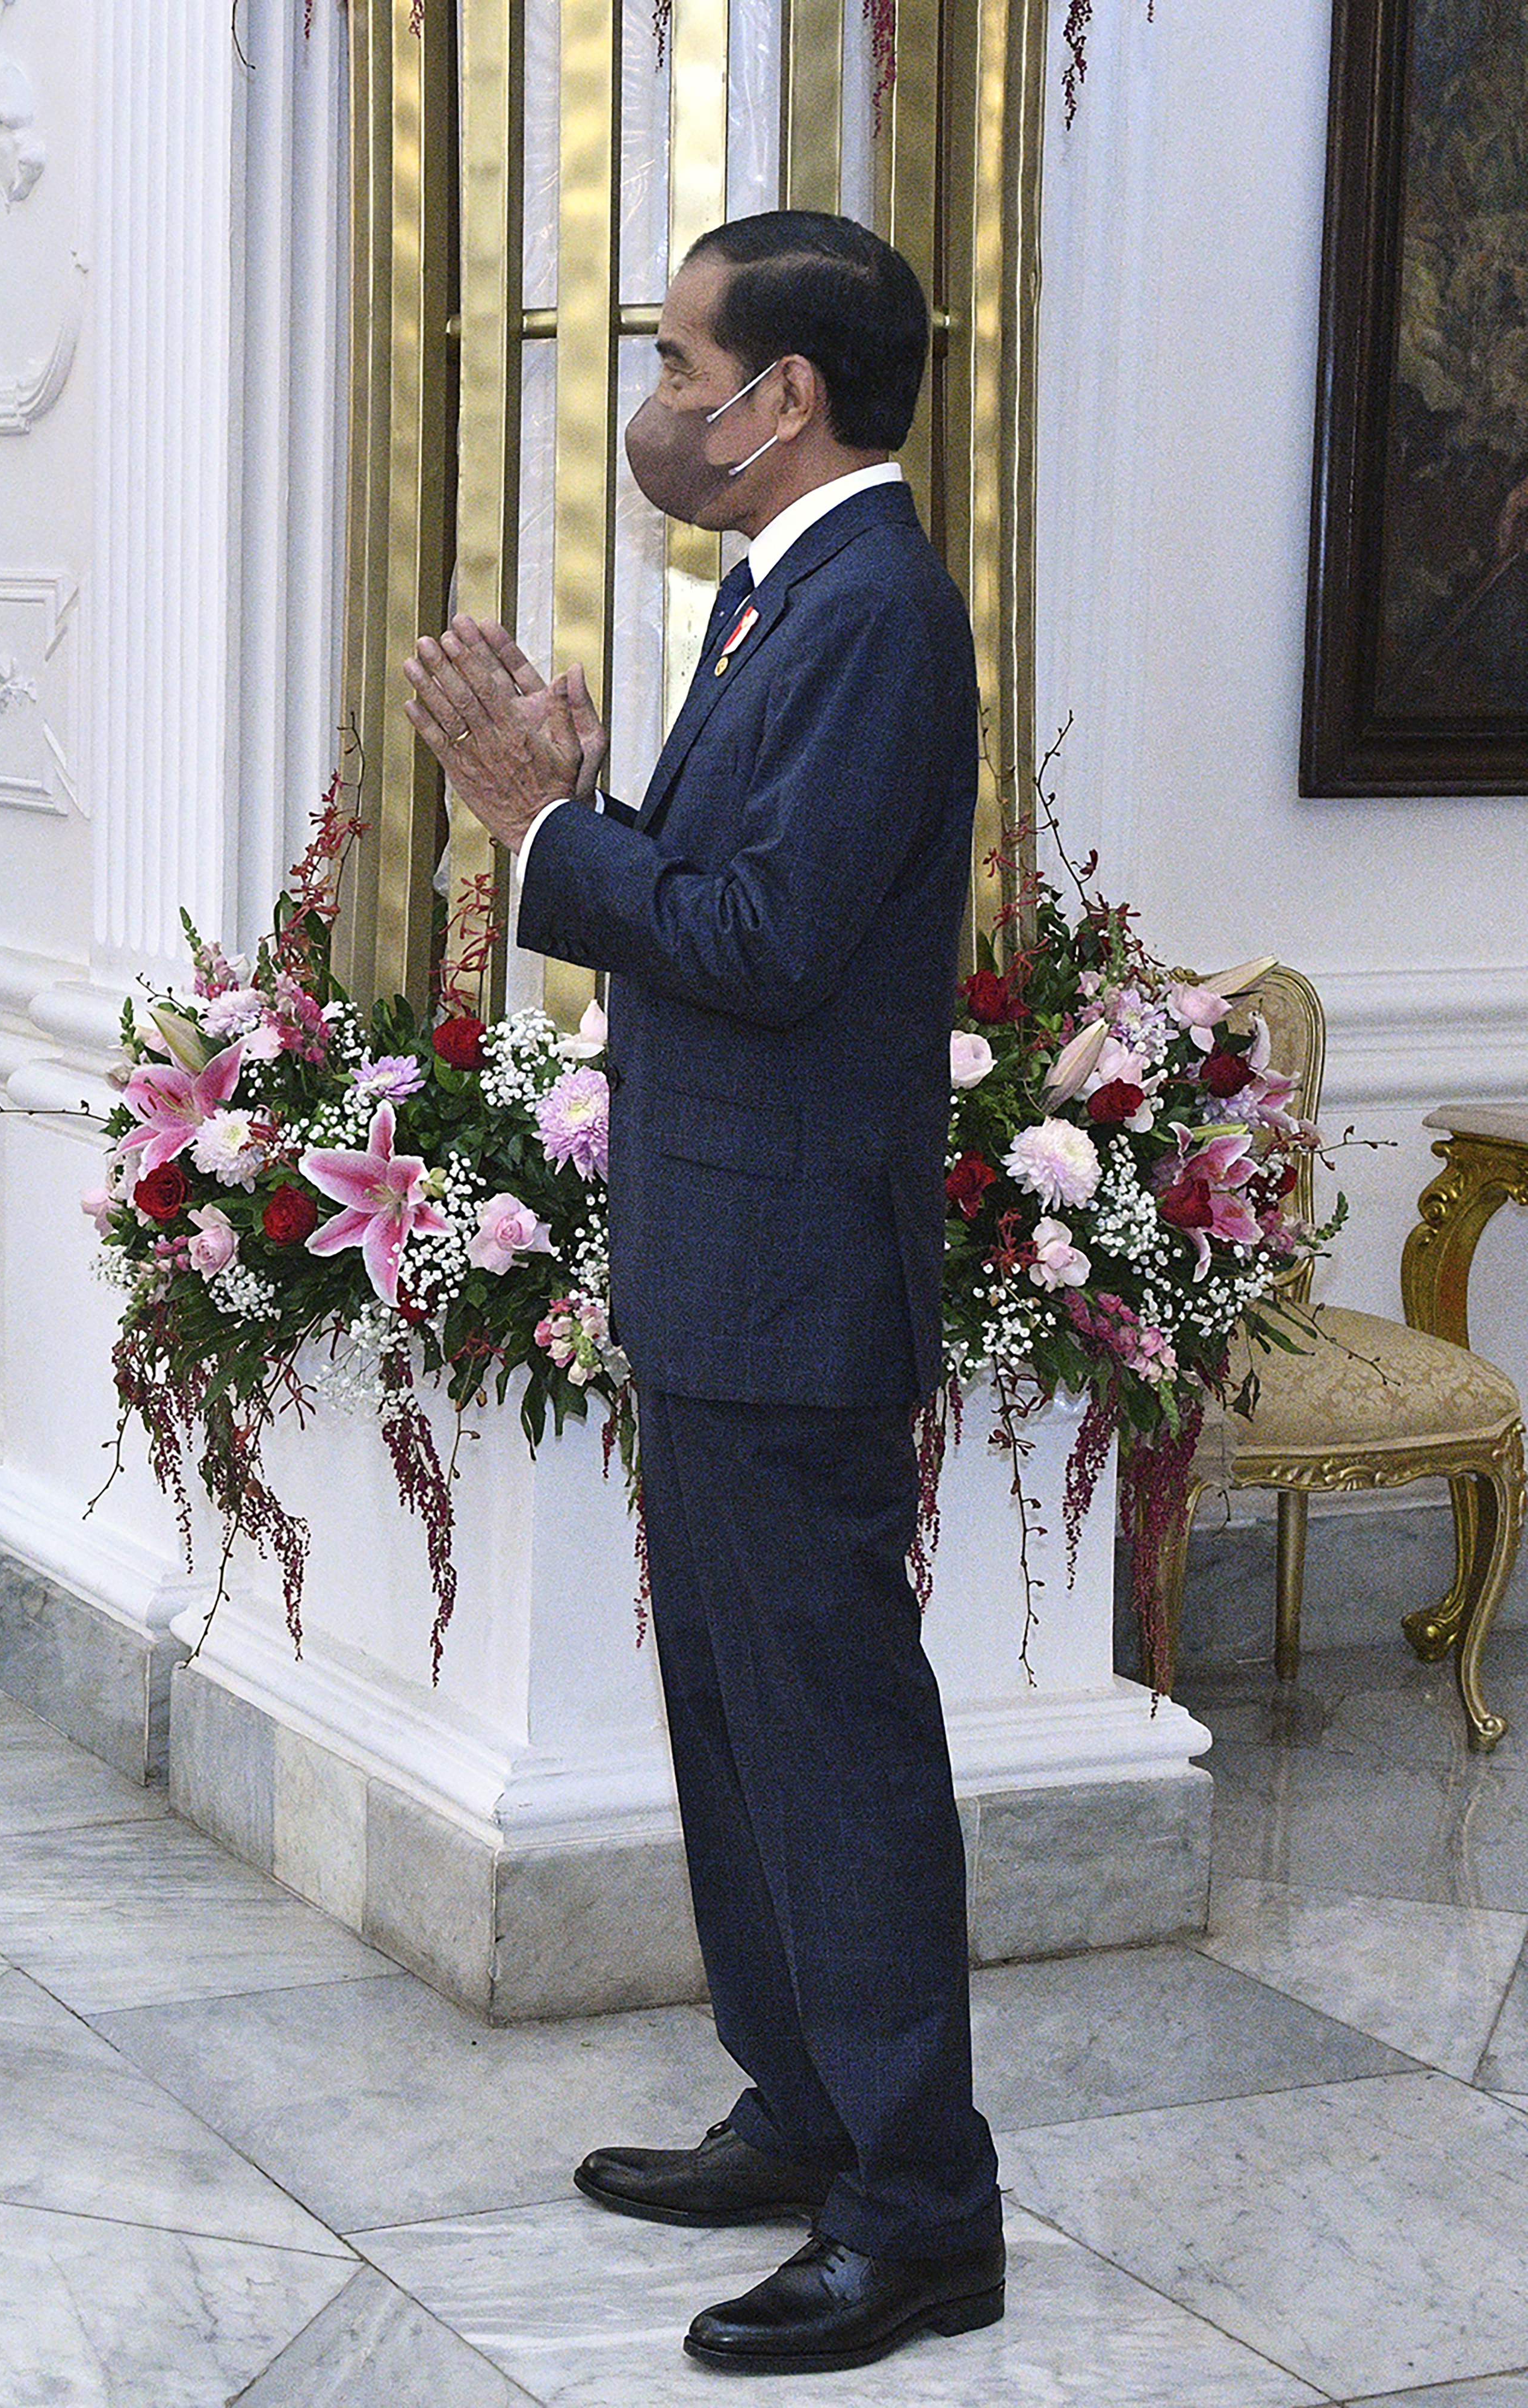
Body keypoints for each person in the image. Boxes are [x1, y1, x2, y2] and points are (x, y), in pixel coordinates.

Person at [403, 210, 1001, 2377]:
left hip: (791, 1277)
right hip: (722, 1255)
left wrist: (546, 829)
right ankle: (808, 2107)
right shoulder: (781, 599)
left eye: (677, 363)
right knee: (738, 1720)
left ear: (784, 402)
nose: (653, 403)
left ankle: (922, 2207)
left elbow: (757, 944)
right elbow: (744, 895)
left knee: (830, 1741)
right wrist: (584, 809)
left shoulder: (873, 611)